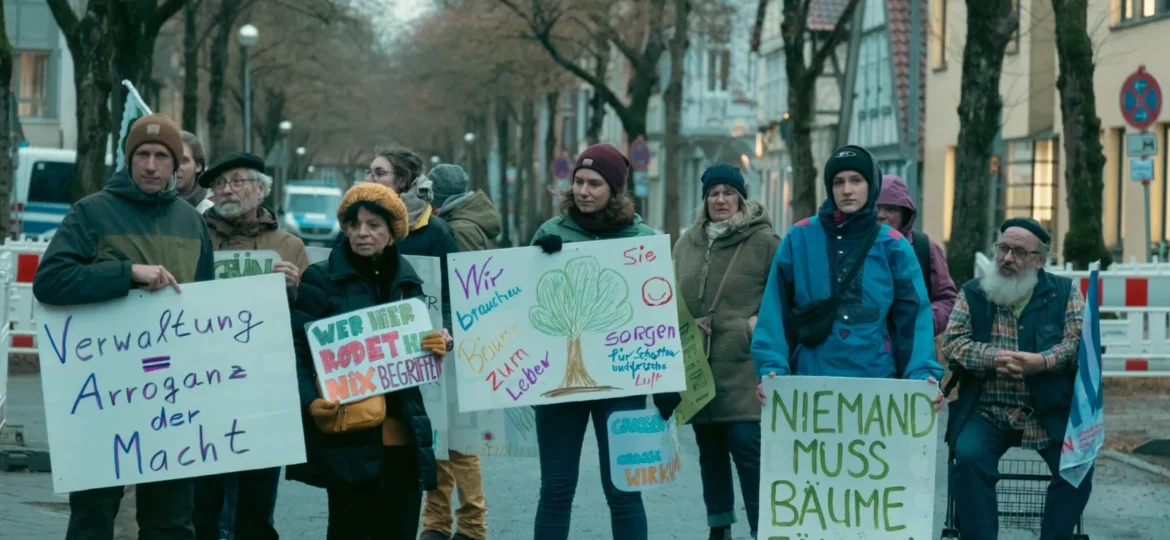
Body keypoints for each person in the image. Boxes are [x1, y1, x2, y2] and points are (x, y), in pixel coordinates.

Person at [32, 113, 215, 540]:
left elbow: (207, 304)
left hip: (172, 400)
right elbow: (50, 282)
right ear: (129, 160)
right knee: (93, 517)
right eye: (143, 155)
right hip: (103, 396)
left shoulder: (191, 222)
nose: (151, 165)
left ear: (177, 166)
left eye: (162, 156)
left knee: (170, 522)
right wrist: (126, 272)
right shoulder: (91, 212)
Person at [529, 143, 681, 540]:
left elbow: (660, 316)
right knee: (556, 489)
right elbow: (526, 304)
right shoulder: (550, 232)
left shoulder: (643, 238)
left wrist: (666, 381)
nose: (583, 191)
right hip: (559, 386)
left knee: (624, 490)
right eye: (578, 181)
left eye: (594, 183)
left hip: (623, 384)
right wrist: (538, 261)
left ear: (615, 190)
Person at [288, 182, 448, 540]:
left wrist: (435, 343)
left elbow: (415, 348)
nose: (363, 233)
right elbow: (298, 353)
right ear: (344, 228)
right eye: (355, 224)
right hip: (349, 435)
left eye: (374, 225)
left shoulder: (408, 281)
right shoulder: (320, 280)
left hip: (403, 439)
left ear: (393, 232)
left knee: (400, 531)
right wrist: (310, 402)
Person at [751, 145, 944, 399]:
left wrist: (922, 376)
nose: (847, 190)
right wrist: (771, 368)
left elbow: (914, 318)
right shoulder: (799, 237)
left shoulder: (893, 245)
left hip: (877, 384)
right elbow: (774, 311)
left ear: (871, 184)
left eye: (856, 180)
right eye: (838, 182)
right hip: (809, 383)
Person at [942, 218, 1090, 540]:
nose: (1007, 258)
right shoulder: (973, 292)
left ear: (1039, 260)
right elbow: (953, 343)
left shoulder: (1065, 293)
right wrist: (992, 358)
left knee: (1079, 466)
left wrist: (1042, 362)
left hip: (1048, 411)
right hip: (987, 409)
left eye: (1019, 252)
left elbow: (1077, 342)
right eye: (1003, 248)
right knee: (968, 459)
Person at [192, 152, 311, 540]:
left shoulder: (288, 245)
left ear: (260, 190)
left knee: (256, 507)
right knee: (202, 503)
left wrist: (295, 291)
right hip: (202, 388)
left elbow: (311, 320)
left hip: (263, 392)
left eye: (237, 181)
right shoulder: (192, 235)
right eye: (219, 183)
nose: (225, 189)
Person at [672, 164, 778, 540]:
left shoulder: (765, 242)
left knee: (748, 448)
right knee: (710, 450)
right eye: (713, 193)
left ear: (740, 197)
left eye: (728, 192)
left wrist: (755, 323)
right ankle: (719, 527)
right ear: (705, 199)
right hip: (699, 364)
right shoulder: (686, 243)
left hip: (744, 363)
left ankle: (761, 528)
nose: (720, 199)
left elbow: (784, 296)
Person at [421, 163, 500, 540]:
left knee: (459, 440)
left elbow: (463, 288)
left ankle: (468, 524)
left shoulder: (460, 229)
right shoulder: (470, 221)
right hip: (462, 342)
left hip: (460, 345)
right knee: (446, 436)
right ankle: (441, 521)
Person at [365, 146, 459, 331]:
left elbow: (452, 295)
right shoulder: (352, 225)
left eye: (379, 173)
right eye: (369, 172)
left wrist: (445, 330)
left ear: (402, 180)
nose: (369, 179)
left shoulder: (437, 232)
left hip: (415, 338)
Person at [876, 174, 957, 335]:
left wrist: (924, 324)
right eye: (875, 207)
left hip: (912, 350)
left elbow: (947, 299)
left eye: (891, 208)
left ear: (904, 214)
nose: (881, 215)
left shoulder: (924, 247)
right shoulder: (852, 247)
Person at [179, 131, 214, 213]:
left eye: (184, 161)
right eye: (174, 160)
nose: (177, 167)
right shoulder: (154, 208)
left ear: (198, 166)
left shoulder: (209, 212)